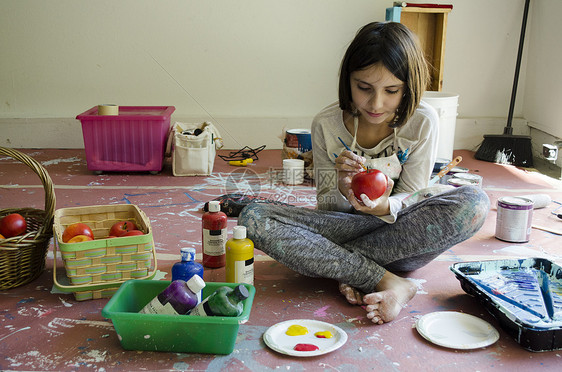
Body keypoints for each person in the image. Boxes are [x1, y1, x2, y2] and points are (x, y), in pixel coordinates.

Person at [238, 22, 490, 324]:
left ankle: (345, 267)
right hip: (348, 228)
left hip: (402, 240)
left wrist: (384, 206)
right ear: (348, 81)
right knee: (252, 219)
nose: (376, 103)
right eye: (364, 88)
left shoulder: (423, 121)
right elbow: (329, 210)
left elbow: (413, 198)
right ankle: (389, 281)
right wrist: (343, 189)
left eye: (392, 91)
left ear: (408, 87)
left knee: (475, 203)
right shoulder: (326, 125)